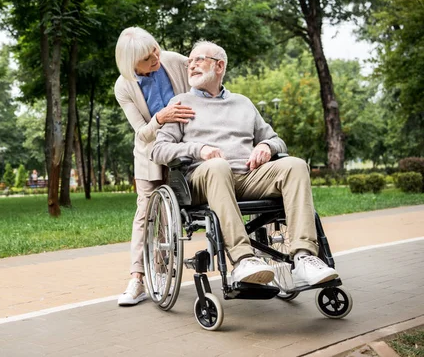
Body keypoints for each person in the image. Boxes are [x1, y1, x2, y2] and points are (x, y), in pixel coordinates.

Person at [151, 40, 338, 287]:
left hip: (247, 176)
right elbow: (158, 150)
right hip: (203, 180)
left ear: (219, 66)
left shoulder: (243, 103)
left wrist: (266, 146)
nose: (191, 65)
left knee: (295, 165)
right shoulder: (181, 103)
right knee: (218, 166)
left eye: (199, 59)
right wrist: (199, 149)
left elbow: (276, 140)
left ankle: (304, 257)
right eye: (189, 61)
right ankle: (243, 259)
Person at [114, 27, 195, 306]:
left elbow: (204, 76)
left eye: (155, 50)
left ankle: (162, 271)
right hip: (150, 154)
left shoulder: (174, 61)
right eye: (147, 58)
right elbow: (141, 132)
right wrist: (160, 118)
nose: (155, 58)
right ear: (131, 63)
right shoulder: (124, 86)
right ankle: (138, 279)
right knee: (146, 212)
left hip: (186, 148)